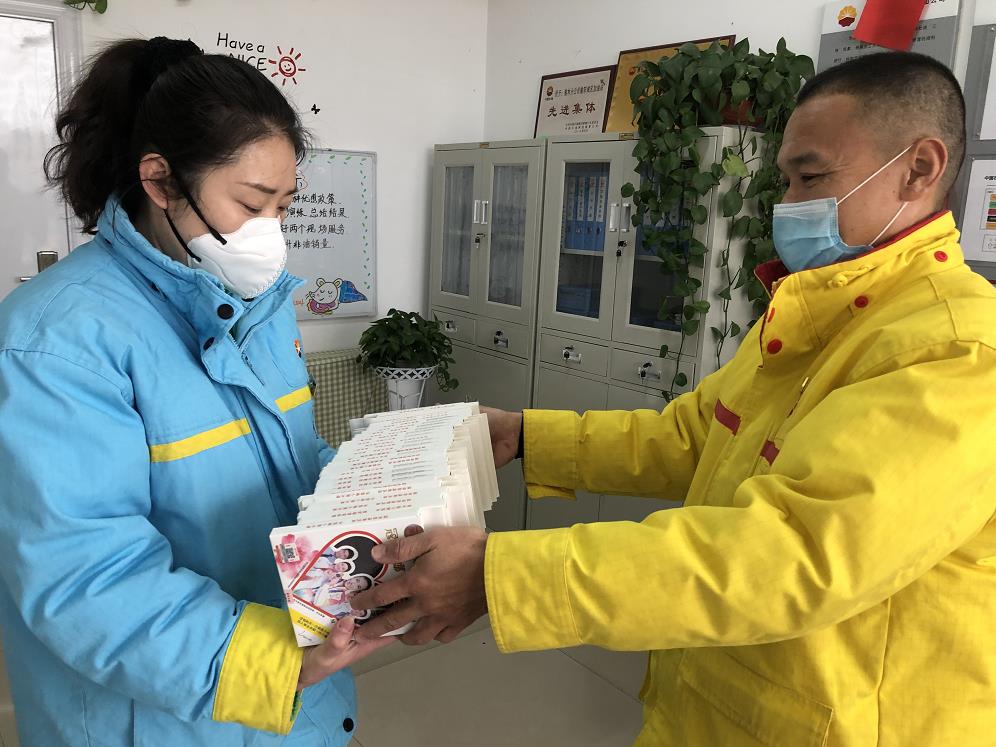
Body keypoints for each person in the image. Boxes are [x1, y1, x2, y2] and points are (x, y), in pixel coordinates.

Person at [350, 51, 996, 745]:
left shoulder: (956, 351)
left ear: (919, 168)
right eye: (785, 179)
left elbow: (792, 555)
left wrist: (502, 577)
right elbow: (690, 437)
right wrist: (527, 434)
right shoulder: (818, 313)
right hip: (713, 702)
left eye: (811, 177)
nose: (787, 204)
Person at [0, 37, 390, 747]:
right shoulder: (55, 341)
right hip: (165, 712)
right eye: (250, 203)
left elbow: (289, 460)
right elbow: (85, 578)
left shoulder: (262, 307)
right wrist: (270, 663)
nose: (270, 234)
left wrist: (375, 493)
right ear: (160, 182)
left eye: (284, 206)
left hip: (290, 691)